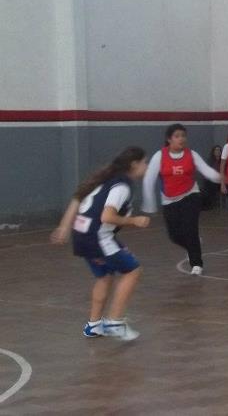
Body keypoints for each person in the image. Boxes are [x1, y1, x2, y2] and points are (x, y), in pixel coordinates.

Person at [50, 146, 150, 341]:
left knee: (104, 276)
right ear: (134, 164)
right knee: (133, 270)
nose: (146, 166)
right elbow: (107, 216)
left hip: (82, 235)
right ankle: (115, 322)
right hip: (97, 237)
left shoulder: (104, 179)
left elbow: (77, 198)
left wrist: (64, 226)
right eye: (144, 162)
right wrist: (134, 220)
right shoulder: (121, 185)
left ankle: (94, 325)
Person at [142, 123, 221, 275]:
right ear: (169, 139)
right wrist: (149, 204)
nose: (181, 139)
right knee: (174, 235)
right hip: (169, 200)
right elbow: (148, 179)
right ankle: (193, 243)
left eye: (183, 136)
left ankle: (196, 264)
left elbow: (206, 171)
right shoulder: (160, 156)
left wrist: (220, 178)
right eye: (177, 136)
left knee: (190, 229)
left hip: (190, 195)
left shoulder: (192, 154)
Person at [201, 145, 223, 209]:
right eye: (216, 150)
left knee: (210, 185)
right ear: (213, 152)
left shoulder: (222, 161)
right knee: (206, 183)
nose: (217, 152)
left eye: (219, 150)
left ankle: (209, 204)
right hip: (211, 180)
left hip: (220, 181)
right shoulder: (210, 161)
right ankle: (206, 204)